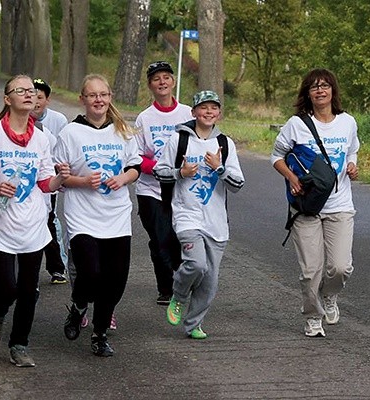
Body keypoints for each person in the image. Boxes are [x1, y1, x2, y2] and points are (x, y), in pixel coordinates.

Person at [0, 75, 70, 367]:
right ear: (7, 99)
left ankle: (20, 344)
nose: (29, 95)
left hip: (33, 224)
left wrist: (60, 179)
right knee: (7, 289)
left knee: (29, 290)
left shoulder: (41, 138)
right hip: (0, 225)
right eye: (21, 91)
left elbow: (44, 183)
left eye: (32, 91)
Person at [55, 74, 141, 357]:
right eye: (92, 95)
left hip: (116, 215)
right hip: (82, 216)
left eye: (103, 94)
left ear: (110, 97)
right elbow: (59, 178)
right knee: (90, 273)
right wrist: (83, 181)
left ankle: (100, 334)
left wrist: (123, 179)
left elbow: (135, 167)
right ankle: (79, 307)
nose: (98, 100)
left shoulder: (122, 131)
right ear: (82, 99)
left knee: (116, 280)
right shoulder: (69, 133)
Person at [270, 68, 360, 337]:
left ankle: (329, 295)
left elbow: (353, 148)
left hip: (340, 204)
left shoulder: (347, 122)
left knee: (340, 267)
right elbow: (276, 156)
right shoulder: (296, 124)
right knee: (311, 271)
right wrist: (291, 178)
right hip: (306, 205)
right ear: (307, 94)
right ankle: (312, 317)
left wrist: (353, 164)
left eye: (325, 86)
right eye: (314, 87)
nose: (320, 91)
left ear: (333, 90)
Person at [154, 90, 245, 340]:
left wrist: (220, 169)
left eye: (213, 108)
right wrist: (180, 173)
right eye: (203, 108)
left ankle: (194, 324)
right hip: (186, 215)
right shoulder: (179, 140)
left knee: (210, 281)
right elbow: (159, 171)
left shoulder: (225, 144)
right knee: (196, 264)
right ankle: (179, 295)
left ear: (219, 113)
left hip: (216, 222)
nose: (208, 112)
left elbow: (237, 185)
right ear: (193, 112)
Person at [135, 61, 192, 306]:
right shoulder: (144, 118)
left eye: (166, 77)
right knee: (160, 239)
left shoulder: (188, 114)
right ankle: (165, 288)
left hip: (181, 188)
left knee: (178, 237)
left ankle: (182, 280)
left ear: (173, 82)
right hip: (151, 189)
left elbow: (201, 142)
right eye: (156, 78)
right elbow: (136, 156)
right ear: (150, 85)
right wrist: (159, 169)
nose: (162, 82)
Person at [31, 78, 69, 284]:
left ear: (47, 100)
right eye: (31, 95)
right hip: (24, 185)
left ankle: (57, 267)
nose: (35, 101)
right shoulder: (9, 124)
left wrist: (60, 176)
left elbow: (61, 153)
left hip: (48, 184)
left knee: (49, 222)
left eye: (40, 97)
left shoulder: (55, 124)